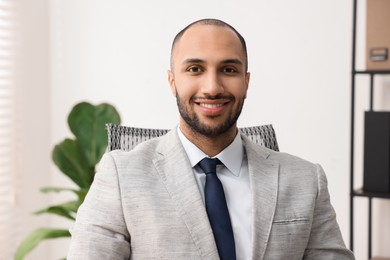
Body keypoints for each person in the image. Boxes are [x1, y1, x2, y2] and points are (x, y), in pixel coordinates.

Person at [67, 18, 355, 259]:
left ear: (246, 81)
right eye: (195, 69)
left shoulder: (306, 179)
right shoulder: (121, 175)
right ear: (172, 82)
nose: (212, 87)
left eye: (229, 70)